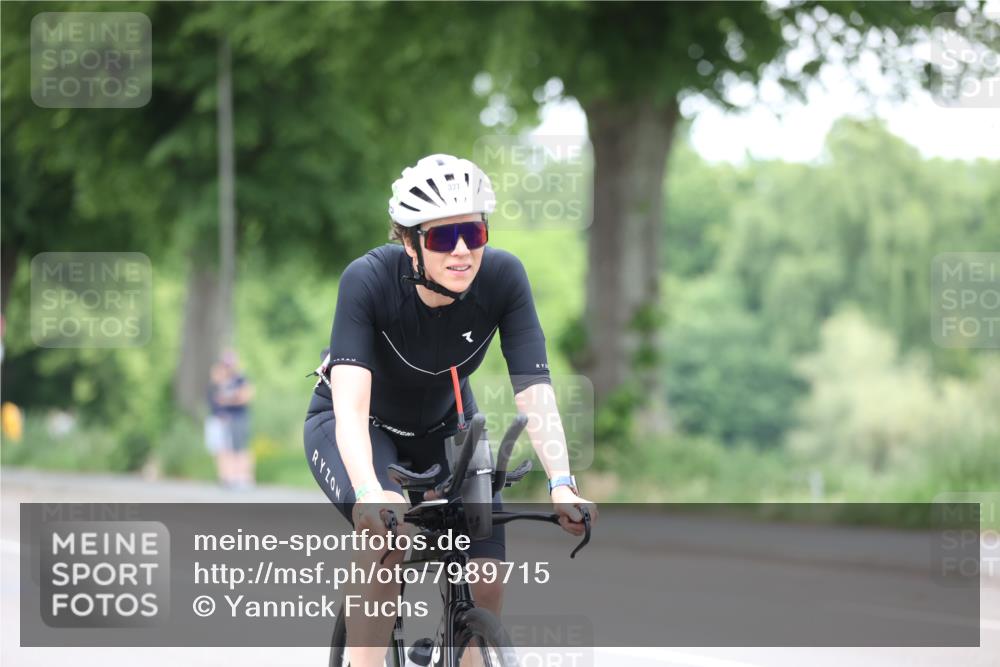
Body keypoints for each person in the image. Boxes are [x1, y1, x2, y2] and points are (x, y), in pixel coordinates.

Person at [303, 153, 597, 667]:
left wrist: (562, 483)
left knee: (486, 576)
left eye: (474, 233)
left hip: (446, 425)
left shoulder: (504, 278)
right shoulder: (367, 281)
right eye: (442, 237)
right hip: (358, 426)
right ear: (410, 242)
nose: (462, 251)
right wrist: (372, 493)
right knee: (384, 540)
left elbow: (535, 391)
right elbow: (351, 409)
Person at [208, 349, 255, 489]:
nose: (228, 368)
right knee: (226, 449)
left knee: (241, 447)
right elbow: (214, 397)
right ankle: (230, 477)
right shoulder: (221, 380)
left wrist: (227, 400)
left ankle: (245, 478)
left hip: (239, 417)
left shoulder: (240, 379)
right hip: (225, 419)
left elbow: (245, 397)